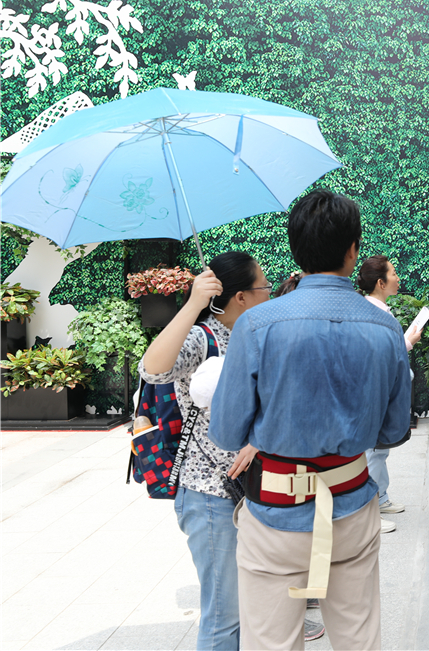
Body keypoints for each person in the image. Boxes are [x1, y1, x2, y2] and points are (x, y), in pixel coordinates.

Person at [209, 189, 411, 650]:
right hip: (352, 501)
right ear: (353, 250)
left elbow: (226, 431)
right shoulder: (385, 327)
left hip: (276, 510)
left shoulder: (256, 325)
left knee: (270, 642)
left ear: (295, 248)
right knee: (359, 637)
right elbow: (394, 430)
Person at [140, 252, 330, 649]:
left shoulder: (256, 336)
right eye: (264, 286)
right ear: (241, 297)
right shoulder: (204, 338)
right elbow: (152, 370)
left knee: (250, 608)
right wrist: (193, 302)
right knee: (224, 617)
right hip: (211, 495)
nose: (270, 293)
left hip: (257, 491)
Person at [355, 255, 423, 534]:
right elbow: (380, 355)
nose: (397, 277)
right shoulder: (374, 313)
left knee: (379, 452)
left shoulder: (378, 310)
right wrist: (408, 341)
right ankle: (370, 509)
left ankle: (380, 497)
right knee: (373, 452)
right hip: (375, 394)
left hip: (381, 391)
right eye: (393, 273)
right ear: (381, 283)